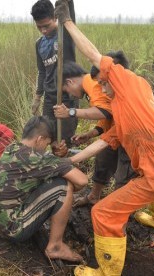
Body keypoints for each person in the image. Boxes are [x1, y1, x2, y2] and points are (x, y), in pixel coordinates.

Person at [54, 1, 154, 275]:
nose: (101, 86)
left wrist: (66, 22)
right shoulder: (129, 106)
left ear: (115, 74)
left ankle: (107, 271)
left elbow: (92, 53)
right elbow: (105, 140)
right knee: (152, 182)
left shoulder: (127, 82)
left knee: (103, 213)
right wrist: (69, 161)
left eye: (103, 82)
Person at [0, 116, 88, 262]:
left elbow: (40, 169)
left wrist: (55, 160)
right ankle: (55, 247)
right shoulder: (38, 159)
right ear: (39, 139)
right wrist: (60, 163)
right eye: (46, 144)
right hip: (12, 229)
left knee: (52, 180)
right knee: (64, 186)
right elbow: (83, 181)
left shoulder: (12, 148)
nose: (45, 148)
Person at [53, 57, 137, 207]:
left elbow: (104, 112)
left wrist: (71, 112)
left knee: (123, 174)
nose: (70, 95)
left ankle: (119, 210)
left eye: (66, 91)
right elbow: (111, 114)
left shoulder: (92, 84)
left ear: (70, 82)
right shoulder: (91, 86)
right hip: (115, 130)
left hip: (130, 131)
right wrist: (91, 133)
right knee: (102, 160)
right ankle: (93, 196)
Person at [30, 0, 79, 147]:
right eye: (39, 27)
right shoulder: (39, 44)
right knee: (48, 137)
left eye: (46, 25)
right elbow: (42, 71)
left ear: (55, 17)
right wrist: (38, 96)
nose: (43, 30)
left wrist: (68, 3)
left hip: (68, 97)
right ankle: (54, 166)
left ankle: (66, 166)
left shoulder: (66, 34)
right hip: (50, 98)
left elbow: (71, 18)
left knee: (64, 141)